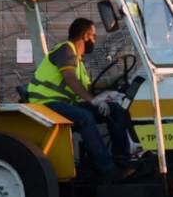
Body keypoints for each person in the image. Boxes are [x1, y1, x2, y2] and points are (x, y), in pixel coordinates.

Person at [27, 18, 137, 184]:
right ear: (85, 36)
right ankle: (107, 169)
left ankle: (121, 158)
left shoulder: (76, 61)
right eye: (93, 36)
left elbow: (88, 89)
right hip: (45, 105)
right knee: (85, 116)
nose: (94, 40)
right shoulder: (66, 50)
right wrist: (93, 101)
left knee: (114, 109)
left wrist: (113, 81)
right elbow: (71, 79)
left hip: (63, 105)